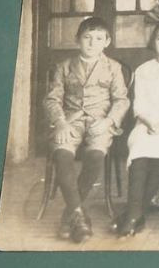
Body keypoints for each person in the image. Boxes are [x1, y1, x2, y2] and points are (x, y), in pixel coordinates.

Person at [43, 17, 129, 243]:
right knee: (62, 154)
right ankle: (79, 215)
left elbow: (121, 100)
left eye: (99, 38)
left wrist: (109, 121)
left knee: (95, 157)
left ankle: (68, 216)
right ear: (77, 40)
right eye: (87, 38)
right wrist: (60, 122)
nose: (92, 43)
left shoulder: (113, 67)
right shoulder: (64, 67)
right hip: (70, 120)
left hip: (100, 121)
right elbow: (52, 100)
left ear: (107, 42)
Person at [110, 6, 159, 237]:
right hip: (147, 122)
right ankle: (136, 214)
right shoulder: (143, 70)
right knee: (140, 147)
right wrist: (148, 122)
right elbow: (138, 105)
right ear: (153, 41)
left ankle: (132, 214)